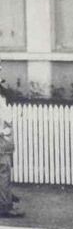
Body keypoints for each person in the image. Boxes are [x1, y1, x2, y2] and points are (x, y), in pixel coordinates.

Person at [0, 61, 23, 218]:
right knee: (3, 171)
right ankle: (4, 205)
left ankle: (6, 199)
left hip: (4, 138)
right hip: (2, 139)